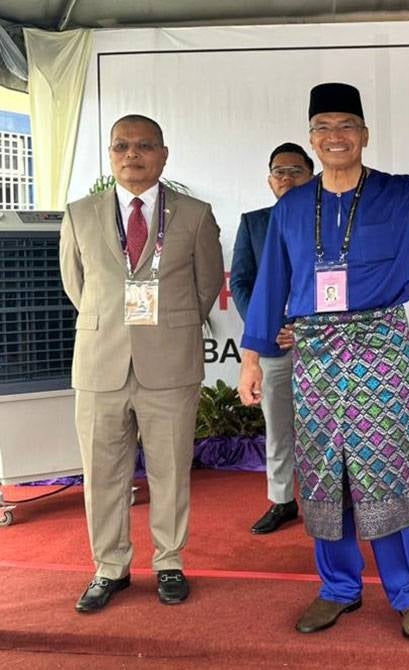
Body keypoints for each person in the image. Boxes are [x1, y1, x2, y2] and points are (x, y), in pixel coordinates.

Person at [237, 82, 409, 641]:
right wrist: (250, 359)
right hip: (315, 358)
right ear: (312, 139)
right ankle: (338, 588)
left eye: (346, 126)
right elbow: (270, 287)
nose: (335, 136)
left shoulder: (397, 193)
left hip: (380, 353)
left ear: (364, 135)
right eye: (323, 128)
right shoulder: (292, 207)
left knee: (387, 470)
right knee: (325, 476)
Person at [59, 114, 224, 612]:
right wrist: (114, 324)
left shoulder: (194, 215)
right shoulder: (80, 214)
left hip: (170, 364)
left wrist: (165, 329)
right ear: (111, 155)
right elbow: (76, 286)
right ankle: (110, 567)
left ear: (163, 155)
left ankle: (169, 561)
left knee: (170, 470)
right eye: (122, 146)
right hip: (100, 363)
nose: (133, 154)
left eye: (145, 145)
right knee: (102, 473)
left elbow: (206, 286)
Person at [230, 142, 314, 535]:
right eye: (279, 171)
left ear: (311, 177)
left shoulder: (328, 221)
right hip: (273, 345)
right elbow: (241, 282)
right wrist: (268, 326)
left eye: (296, 171)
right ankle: (282, 500)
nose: (287, 178)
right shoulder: (254, 223)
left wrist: (303, 326)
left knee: (325, 428)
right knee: (279, 429)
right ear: (269, 180)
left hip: (320, 344)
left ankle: (328, 499)